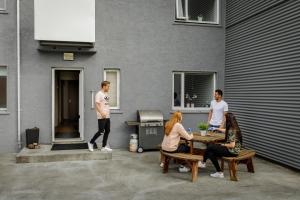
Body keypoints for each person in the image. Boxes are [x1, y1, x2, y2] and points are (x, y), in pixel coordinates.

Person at [198, 112, 242, 178]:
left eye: (225, 118)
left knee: (210, 146)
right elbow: (226, 130)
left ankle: (203, 163)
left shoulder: (231, 130)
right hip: (234, 150)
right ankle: (219, 172)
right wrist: (216, 128)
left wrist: (222, 144)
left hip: (232, 151)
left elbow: (232, 145)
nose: (224, 119)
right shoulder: (234, 127)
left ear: (228, 119)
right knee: (210, 153)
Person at [88, 81, 112, 152]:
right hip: (102, 116)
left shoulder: (106, 94)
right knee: (101, 131)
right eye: (108, 86)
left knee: (107, 131)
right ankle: (91, 142)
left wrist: (107, 113)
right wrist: (102, 113)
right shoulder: (99, 94)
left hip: (107, 115)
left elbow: (106, 104)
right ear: (104, 86)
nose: (109, 87)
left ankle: (104, 146)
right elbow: (97, 105)